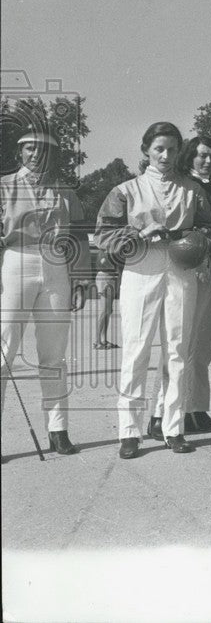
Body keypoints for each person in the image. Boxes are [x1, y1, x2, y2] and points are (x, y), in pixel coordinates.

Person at [95, 122, 211, 459]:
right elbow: (104, 233)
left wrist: (191, 241)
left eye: (172, 149)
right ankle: (129, 431)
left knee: (177, 350)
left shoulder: (192, 190)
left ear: (180, 152)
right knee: (136, 349)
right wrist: (141, 234)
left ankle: (172, 428)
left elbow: (208, 228)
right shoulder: (126, 190)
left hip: (180, 271)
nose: (165, 155)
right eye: (159, 148)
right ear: (147, 149)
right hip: (140, 269)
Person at [1, 129, 89, 455]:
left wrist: (79, 278)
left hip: (57, 267)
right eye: (28, 148)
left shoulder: (66, 190)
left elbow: (78, 236)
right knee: (4, 352)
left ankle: (58, 430)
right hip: (15, 262)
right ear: (19, 152)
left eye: (42, 149)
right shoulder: (5, 186)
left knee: (53, 355)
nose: (35, 154)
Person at [149, 136, 211, 439]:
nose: (206, 161)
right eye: (200, 156)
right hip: (185, 269)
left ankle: (195, 408)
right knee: (178, 345)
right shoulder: (181, 186)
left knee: (203, 346)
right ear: (189, 158)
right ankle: (161, 414)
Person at [93, 250, 122, 350]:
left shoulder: (114, 245)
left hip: (112, 277)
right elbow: (103, 262)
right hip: (105, 276)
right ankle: (97, 341)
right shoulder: (106, 247)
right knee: (104, 310)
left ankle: (103, 339)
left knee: (109, 311)